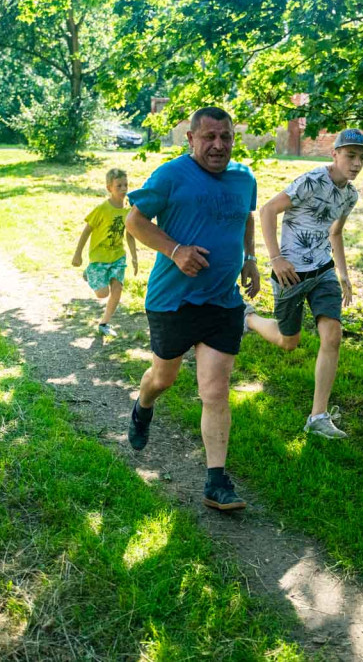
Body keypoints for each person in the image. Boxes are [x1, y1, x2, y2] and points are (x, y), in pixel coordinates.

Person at [124, 106, 261, 512]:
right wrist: (175, 250)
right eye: (209, 137)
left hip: (222, 302)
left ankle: (216, 483)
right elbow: (134, 220)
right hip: (173, 302)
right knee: (162, 378)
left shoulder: (244, 178)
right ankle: (143, 404)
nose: (218, 145)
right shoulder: (170, 175)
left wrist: (250, 258)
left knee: (216, 390)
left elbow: (246, 217)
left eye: (226, 137)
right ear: (191, 139)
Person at [244, 128, 363, 439]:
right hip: (291, 273)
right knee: (289, 341)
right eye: (350, 156)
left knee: (333, 336)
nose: (355, 163)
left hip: (323, 271)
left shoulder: (350, 195)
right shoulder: (312, 180)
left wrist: (342, 274)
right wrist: (274, 258)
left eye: (361, 158)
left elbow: (335, 234)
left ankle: (318, 416)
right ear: (335, 154)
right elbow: (268, 209)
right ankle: (247, 317)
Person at [71, 168, 138, 337]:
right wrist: (77, 254)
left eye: (125, 185)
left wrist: (134, 257)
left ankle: (104, 323)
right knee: (102, 294)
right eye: (119, 186)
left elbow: (130, 235)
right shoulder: (102, 209)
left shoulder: (128, 210)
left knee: (117, 289)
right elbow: (87, 231)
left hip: (117, 256)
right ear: (109, 188)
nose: (123, 189)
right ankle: (90, 273)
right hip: (99, 256)